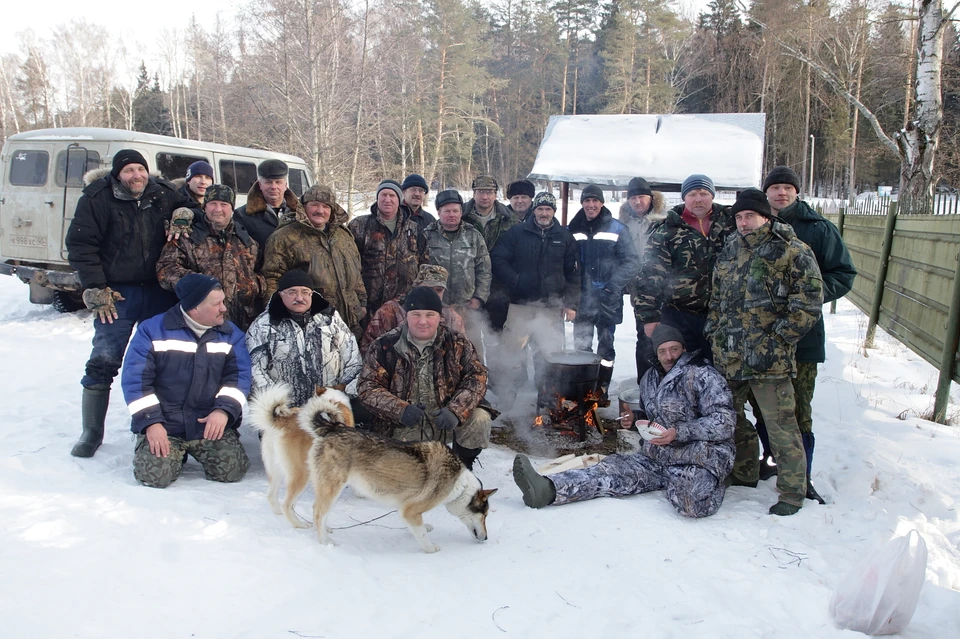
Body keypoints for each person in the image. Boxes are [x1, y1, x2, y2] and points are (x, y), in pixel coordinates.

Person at [512, 324, 735, 518]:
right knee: (610, 471)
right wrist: (636, 419)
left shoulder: (703, 375)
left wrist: (680, 432)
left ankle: (714, 479)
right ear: (656, 354)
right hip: (659, 455)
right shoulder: (649, 379)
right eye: (663, 351)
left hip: (700, 456)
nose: (669, 356)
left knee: (690, 504)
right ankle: (548, 489)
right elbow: (656, 420)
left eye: (674, 349)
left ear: (683, 349)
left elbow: (724, 421)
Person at [65, 149, 198, 458]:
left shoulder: (163, 192)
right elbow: (81, 245)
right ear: (117, 174)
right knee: (105, 357)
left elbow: (191, 205)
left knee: (167, 358)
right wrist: (96, 287)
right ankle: (91, 432)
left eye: (140, 169)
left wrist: (184, 214)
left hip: (157, 290)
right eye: (128, 171)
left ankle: (166, 423)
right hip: (117, 294)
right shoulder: (97, 198)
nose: (136, 175)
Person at [705, 188, 823, 516]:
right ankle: (744, 473)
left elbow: (809, 299)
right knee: (730, 419)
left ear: (765, 217)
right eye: (739, 217)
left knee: (780, 425)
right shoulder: (730, 251)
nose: (743, 222)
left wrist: (779, 339)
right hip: (730, 355)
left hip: (769, 359)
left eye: (749, 216)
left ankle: (791, 492)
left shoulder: (792, 250)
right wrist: (714, 333)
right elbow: (716, 300)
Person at [761, 166, 858, 503]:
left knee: (798, 409)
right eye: (774, 188)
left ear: (797, 192)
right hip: (761, 337)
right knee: (764, 408)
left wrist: (806, 295)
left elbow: (843, 273)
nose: (781, 193)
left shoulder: (818, 229)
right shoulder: (754, 223)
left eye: (788, 187)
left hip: (803, 336)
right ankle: (772, 460)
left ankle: (802, 478)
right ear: (766, 193)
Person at [122, 274, 251, 488]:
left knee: (232, 471)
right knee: (154, 478)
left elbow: (238, 378)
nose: (224, 309)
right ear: (194, 309)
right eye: (216, 304)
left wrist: (223, 411)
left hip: (206, 423)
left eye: (223, 302)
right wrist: (152, 423)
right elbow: (136, 382)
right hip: (165, 424)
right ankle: (164, 450)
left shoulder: (231, 335)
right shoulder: (152, 331)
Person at [357, 286, 494, 469]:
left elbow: (477, 376)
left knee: (480, 418)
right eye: (416, 314)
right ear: (407, 315)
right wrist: (401, 410)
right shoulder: (384, 346)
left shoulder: (457, 342)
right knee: (410, 476)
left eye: (430, 314)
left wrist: (455, 411)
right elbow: (367, 387)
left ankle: (463, 466)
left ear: (439, 317)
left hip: (444, 421)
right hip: (405, 425)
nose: (423, 321)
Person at [490, 192, 581, 410]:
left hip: (551, 308)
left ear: (553, 212)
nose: (543, 213)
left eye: (548, 209)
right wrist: (515, 280)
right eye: (540, 209)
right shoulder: (517, 233)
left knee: (549, 354)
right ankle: (507, 396)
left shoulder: (564, 237)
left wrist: (571, 303)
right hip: (520, 306)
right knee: (511, 352)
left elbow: (574, 273)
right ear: (534, 211)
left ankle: (548, 397)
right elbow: (498, 258)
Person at [634, 174, 735, 363]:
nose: (698, 199)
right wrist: (649, 317)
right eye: (692, 194)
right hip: (680, 316)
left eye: (704, 193)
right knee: (681, 369)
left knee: (718, 372)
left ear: (712, 196)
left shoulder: (731, 223)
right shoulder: (667, 230)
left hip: (722, 316)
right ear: (684, 198)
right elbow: (649, 275)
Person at [261, 185, 367, 339]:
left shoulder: (343, 236)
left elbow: (356, 272)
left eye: (325, 206)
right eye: (314, 205)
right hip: (310, 326)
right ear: (304, 207)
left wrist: (362, 304)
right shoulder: (285, 237)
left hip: (350, 324)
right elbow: (272, 279)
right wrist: (277, 316)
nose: (320, 210)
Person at [246, 269, 363, 408]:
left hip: (329, 410)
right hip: (285, 417)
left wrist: (340, 395)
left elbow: (353, 360)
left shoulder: (331, 319)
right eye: (292, 292)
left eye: (305, 292)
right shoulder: (263, 326)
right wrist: (277, 406)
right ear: (281, 295)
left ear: (312, 294)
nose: (299, 298)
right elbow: (254, 371)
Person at [568, 184, 640, 405]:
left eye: (595, 201)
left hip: (608, 299)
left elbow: (632, 262)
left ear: (601, 203)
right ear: (582, 203)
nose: (591, 205)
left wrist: (612, 286)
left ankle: (602, 389)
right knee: (581, 345)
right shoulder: (573, 228)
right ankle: (582, 389)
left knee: (606, 346)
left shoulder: (616, 228)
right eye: (587, 201)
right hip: (581, 299)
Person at [156, 184, 264, 331]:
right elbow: (166, 270)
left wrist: (254, 285)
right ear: (205, 207)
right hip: (200, 323)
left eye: (224, 204)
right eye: (212, 203)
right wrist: (200, 286)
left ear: (232, 208)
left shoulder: (247, 242)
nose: (218, 209)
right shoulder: (187, 237)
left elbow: (262, 272)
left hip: (243, 325)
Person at [423, 189, 492, 358]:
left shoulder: (473, 235)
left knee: (472, 349)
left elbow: (484, 269)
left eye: (455, 211)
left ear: (461, 212)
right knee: (439, 351)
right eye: (447, 211)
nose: (452, 215)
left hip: (467, 306)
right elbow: (418, 269)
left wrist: (479, 298)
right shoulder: (427, 235)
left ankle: (477, 383)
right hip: (437, 307)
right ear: (438, 212)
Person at [348, 179, 429, 321]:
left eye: (392, 196)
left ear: (399, 199)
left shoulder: (415, 229)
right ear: (377, 198)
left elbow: (425, 264)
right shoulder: (359, 226)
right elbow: (349, 267)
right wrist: (359, 302)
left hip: (404, 307)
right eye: (383, 195)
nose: (387, 200)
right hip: (369, 307)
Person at [620, 177, 666, 384]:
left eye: (642, 197)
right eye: (633, 198)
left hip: (665, 289)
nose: (638, 202)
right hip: (639, 291)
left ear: (651, 198)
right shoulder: (624, 224)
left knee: (666, 336)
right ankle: (645, 383)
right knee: (644, 336)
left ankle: (668, 382)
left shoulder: (664, 220)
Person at [360, 264, 466, 352]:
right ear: (416, 287)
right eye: (427, 288)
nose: (432, 294)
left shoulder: (451, 317)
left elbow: (464, 354)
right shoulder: (389, 311)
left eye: (438, 290)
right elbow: (368, 350)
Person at [464, 175, 517, 334]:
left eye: (489, 192)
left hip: (499, 289)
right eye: (480, 191)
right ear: (473, 193)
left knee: (497, 337)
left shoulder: (510, 219)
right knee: (469, 338)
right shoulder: (461, 217)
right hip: (468, 288)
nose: (485, 196)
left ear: (496, 194)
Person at [234, 159, 305, 250]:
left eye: (278, 182)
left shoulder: (300, 213)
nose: (273, 187)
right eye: (268, 182)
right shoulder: (243, 216)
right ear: (260, 185)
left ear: (285, 185)